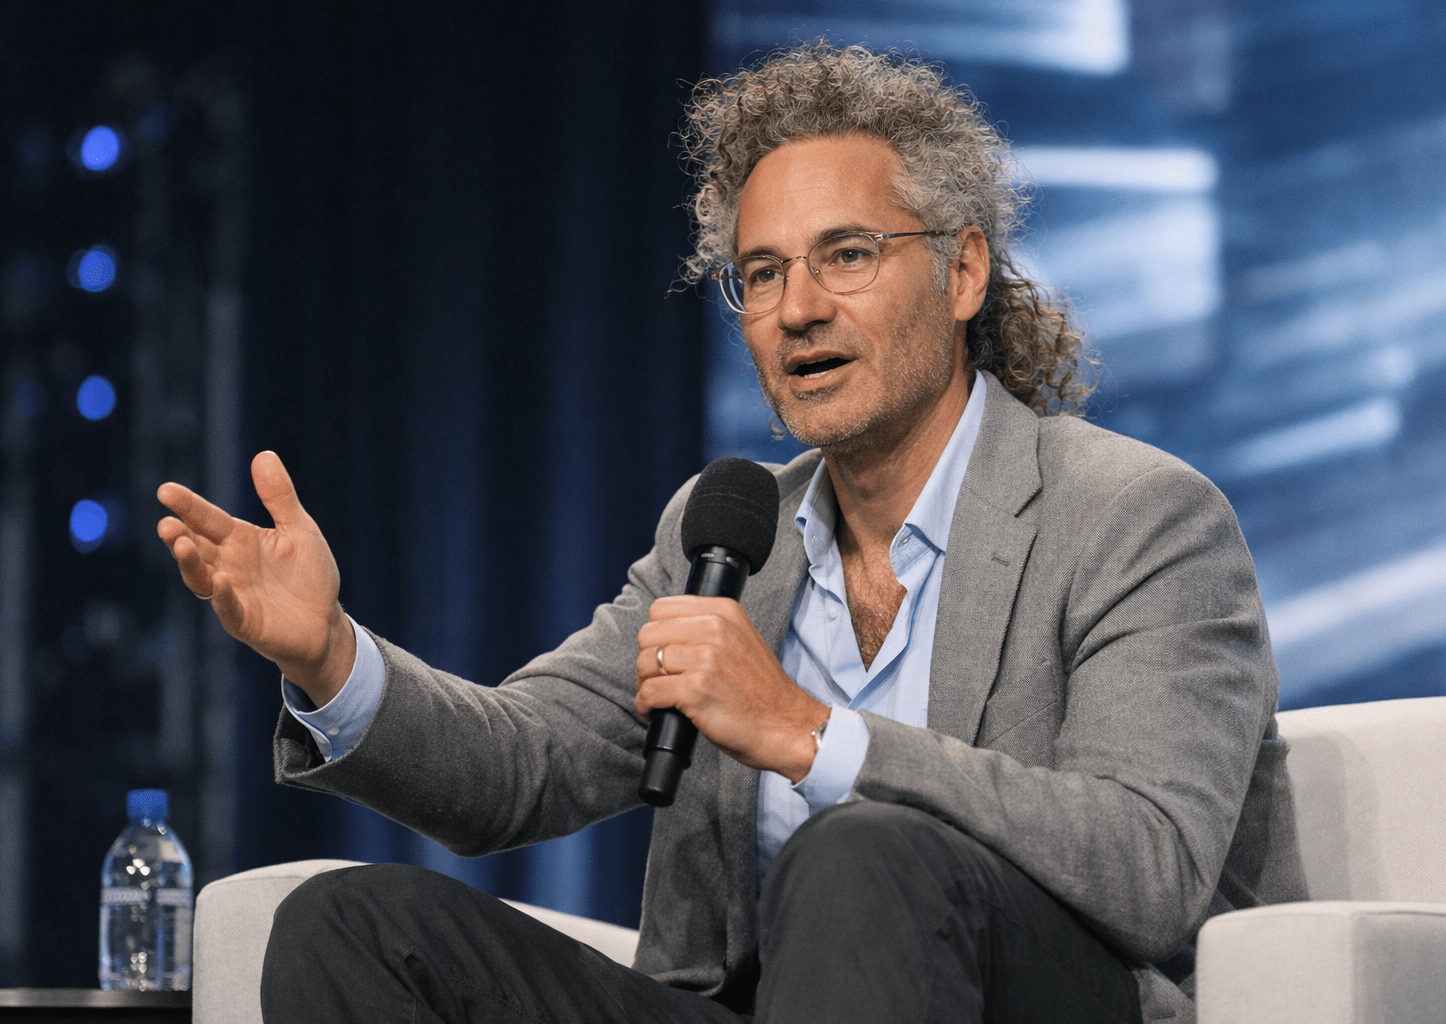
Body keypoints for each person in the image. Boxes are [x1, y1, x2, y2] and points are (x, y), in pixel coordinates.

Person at [157, 43, 1306, 1024]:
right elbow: (521, 763)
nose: (798, 308)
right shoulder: (727, 538)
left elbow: (1149, 863)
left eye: (847, 254)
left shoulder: (1135, 516)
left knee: (862, 850)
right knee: (351, 928)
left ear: (963, 271)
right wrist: (332, 657)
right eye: (761, 274)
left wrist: (811, 733)